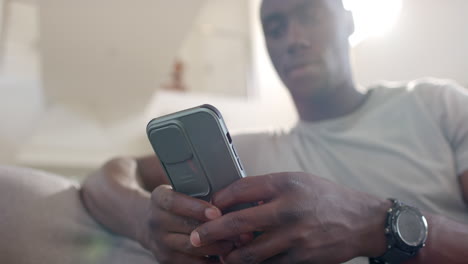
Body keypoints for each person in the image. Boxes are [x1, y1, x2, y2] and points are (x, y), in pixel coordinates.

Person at [1, 0, 467, 263]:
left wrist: (377, 224)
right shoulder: (259, 151)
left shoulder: (435, 103)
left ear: (347, 19)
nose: (292, 38)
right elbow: (110, 173)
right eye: (275, 26)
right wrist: (142, 223)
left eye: (309, 13)